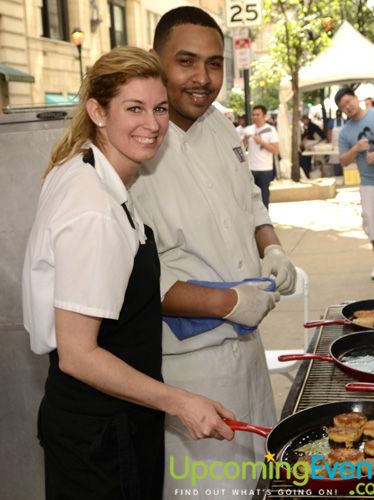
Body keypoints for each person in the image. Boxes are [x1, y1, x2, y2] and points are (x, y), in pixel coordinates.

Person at [22, 46, 237, 500]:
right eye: (134, 108)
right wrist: (179, 401)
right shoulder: (94, 209)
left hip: (108, 419)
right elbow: (78, 355)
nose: (153, 124)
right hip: (101, 432)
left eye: (159, 108)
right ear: (96, 111)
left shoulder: (85, 167)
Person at [130, 7, 297, 499]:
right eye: (186, 61)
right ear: (156, 60)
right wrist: (227, 303)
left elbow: (249, 201)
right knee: (208, 491)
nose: (203, 78)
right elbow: (131, 281)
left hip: (247, 355)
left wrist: (274, 249)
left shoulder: (220, 126)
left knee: (262, 484)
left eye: (214, 63)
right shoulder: (136, 148)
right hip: (188, 368)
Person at [336, 87, 374, 280]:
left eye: (348, 101)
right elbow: (343, 160)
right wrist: (356, 148)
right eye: (343, 106)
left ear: (356, 98)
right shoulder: (346, 132)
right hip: (369, 184)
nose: (348, 107)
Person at [245, 104, 279, 210]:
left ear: (264, 116)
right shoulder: (248, 129)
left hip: (265, 169)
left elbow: (275, 150)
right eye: (253, 115)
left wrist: (261, 142)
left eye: (257, 115)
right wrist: (244, 140)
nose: (254, 117)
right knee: (250, 199)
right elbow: (242, 148)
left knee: (263, 198)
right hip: (250, 169)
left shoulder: (270, 130)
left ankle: (264, 224)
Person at [327, 109, 346, 176]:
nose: (338, 116)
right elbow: (329, 133)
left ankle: (344, 175)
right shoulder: (331, 122)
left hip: (343, 144)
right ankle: (337, 175)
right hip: (334, 145)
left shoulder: (345, 121)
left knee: (344, 160)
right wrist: (330, 143)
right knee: (335, 161)